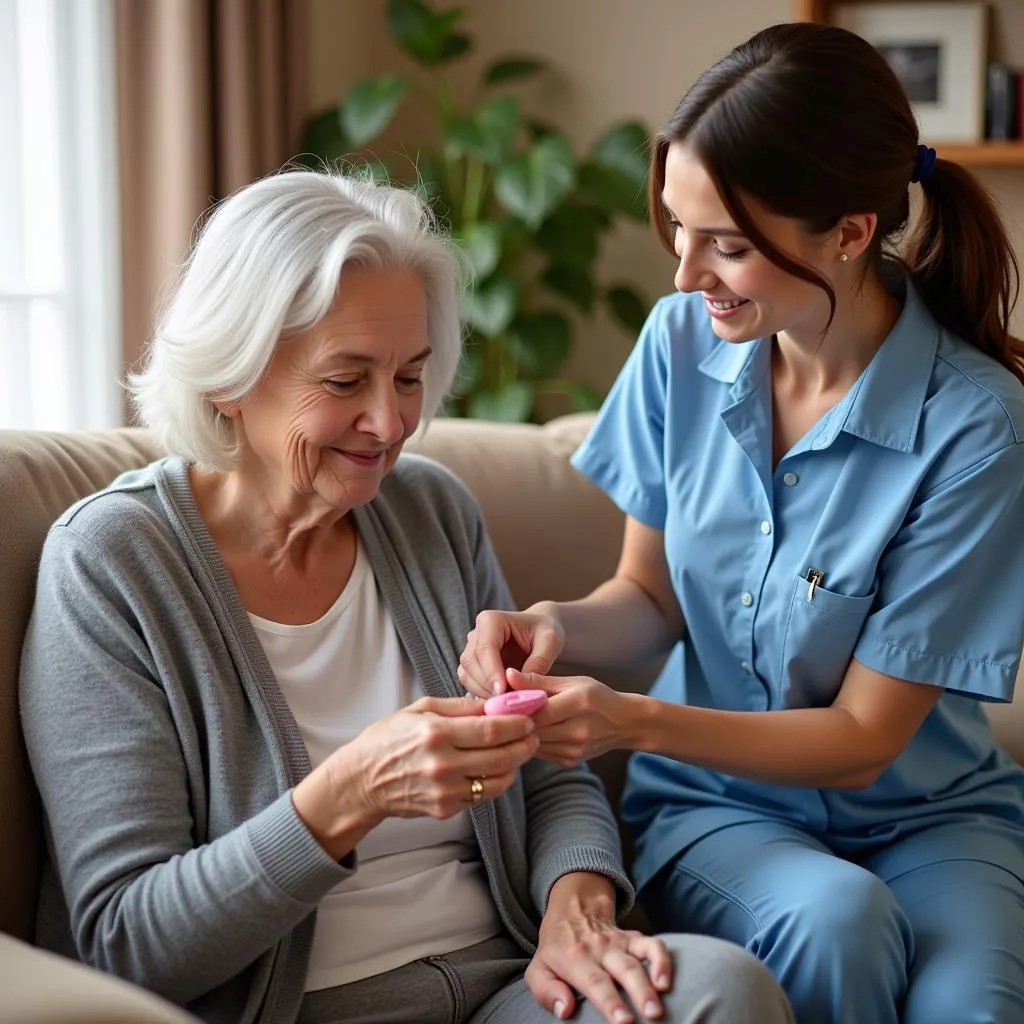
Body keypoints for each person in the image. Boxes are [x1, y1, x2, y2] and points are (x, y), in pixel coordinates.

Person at [18, 170, 792, 1024]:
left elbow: (546, 767)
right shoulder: (113, 563)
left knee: (722, 988)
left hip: (512, 993)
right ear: (227, 379)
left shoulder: (428, 510)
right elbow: (124, 943)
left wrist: (578, 904)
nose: (389, 424)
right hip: (300, 1009)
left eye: (411, 377)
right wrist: (349, 792)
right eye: (346, 382)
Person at [458, 21, 1024, 1024]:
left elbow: (860, 740)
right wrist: (552, 625)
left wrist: (630, 719)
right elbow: (646, 597)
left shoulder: (977, 425)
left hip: (933, 816)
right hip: (721, 810)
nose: (684, 276)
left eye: (725, 246)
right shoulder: (679, 344)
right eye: (677, 233)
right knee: (835, 923)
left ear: (848, 232)